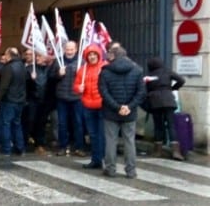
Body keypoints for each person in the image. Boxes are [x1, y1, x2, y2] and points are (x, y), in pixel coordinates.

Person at [98, 45, 147, 178]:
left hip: (110, 111)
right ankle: (131, 171)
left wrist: (116, 107)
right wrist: (129, 106)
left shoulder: (105, 71)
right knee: (129, 141)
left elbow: (103, 92)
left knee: (110, 140)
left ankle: (110, 169)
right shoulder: (137, 70)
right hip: (130, 113)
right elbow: (141, 92)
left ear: (113, 56)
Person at [145, 57, 186, 161]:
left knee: (158, 126)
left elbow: (144, 88)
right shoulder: (167, 71)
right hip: (168, 100)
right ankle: (176, 151)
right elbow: (182, 80)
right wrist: (173, 88)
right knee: (171, 125)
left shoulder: (149, 75)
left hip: (155, 101)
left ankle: (158, 151)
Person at [50, 41, 86, 156]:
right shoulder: (58, 61)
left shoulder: (82, 62)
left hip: (77, 97)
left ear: (76, 49)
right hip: (62, 97)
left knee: (78, 123)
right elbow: (50, 76)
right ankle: (62, 146)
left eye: (71, 49)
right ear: (64, 49)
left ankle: (79, 147)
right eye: (67, 49)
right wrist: (59, 74)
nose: (69, 52)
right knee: (62, 123)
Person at [75, 44, 106, 170]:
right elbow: (76, 85)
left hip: (102, 105)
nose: (92, 56)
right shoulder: (82, 69)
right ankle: (96, 159)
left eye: (94, 54)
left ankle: (103, 159)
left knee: (102, 134)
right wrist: (78, 88)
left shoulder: (105, 67)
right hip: (88, 104)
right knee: (93, 134)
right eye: (90, 55)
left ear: (98, 55)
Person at [0, 47, 26, 155]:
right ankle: (20, 148)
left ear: (9, 55)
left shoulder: (8, 67)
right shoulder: (22, 66)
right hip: (20, 100)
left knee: (5, 124)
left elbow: (4, 86)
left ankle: (6, 148)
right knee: (17, 124)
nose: (4, 57)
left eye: (5, 55)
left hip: (9, 100)